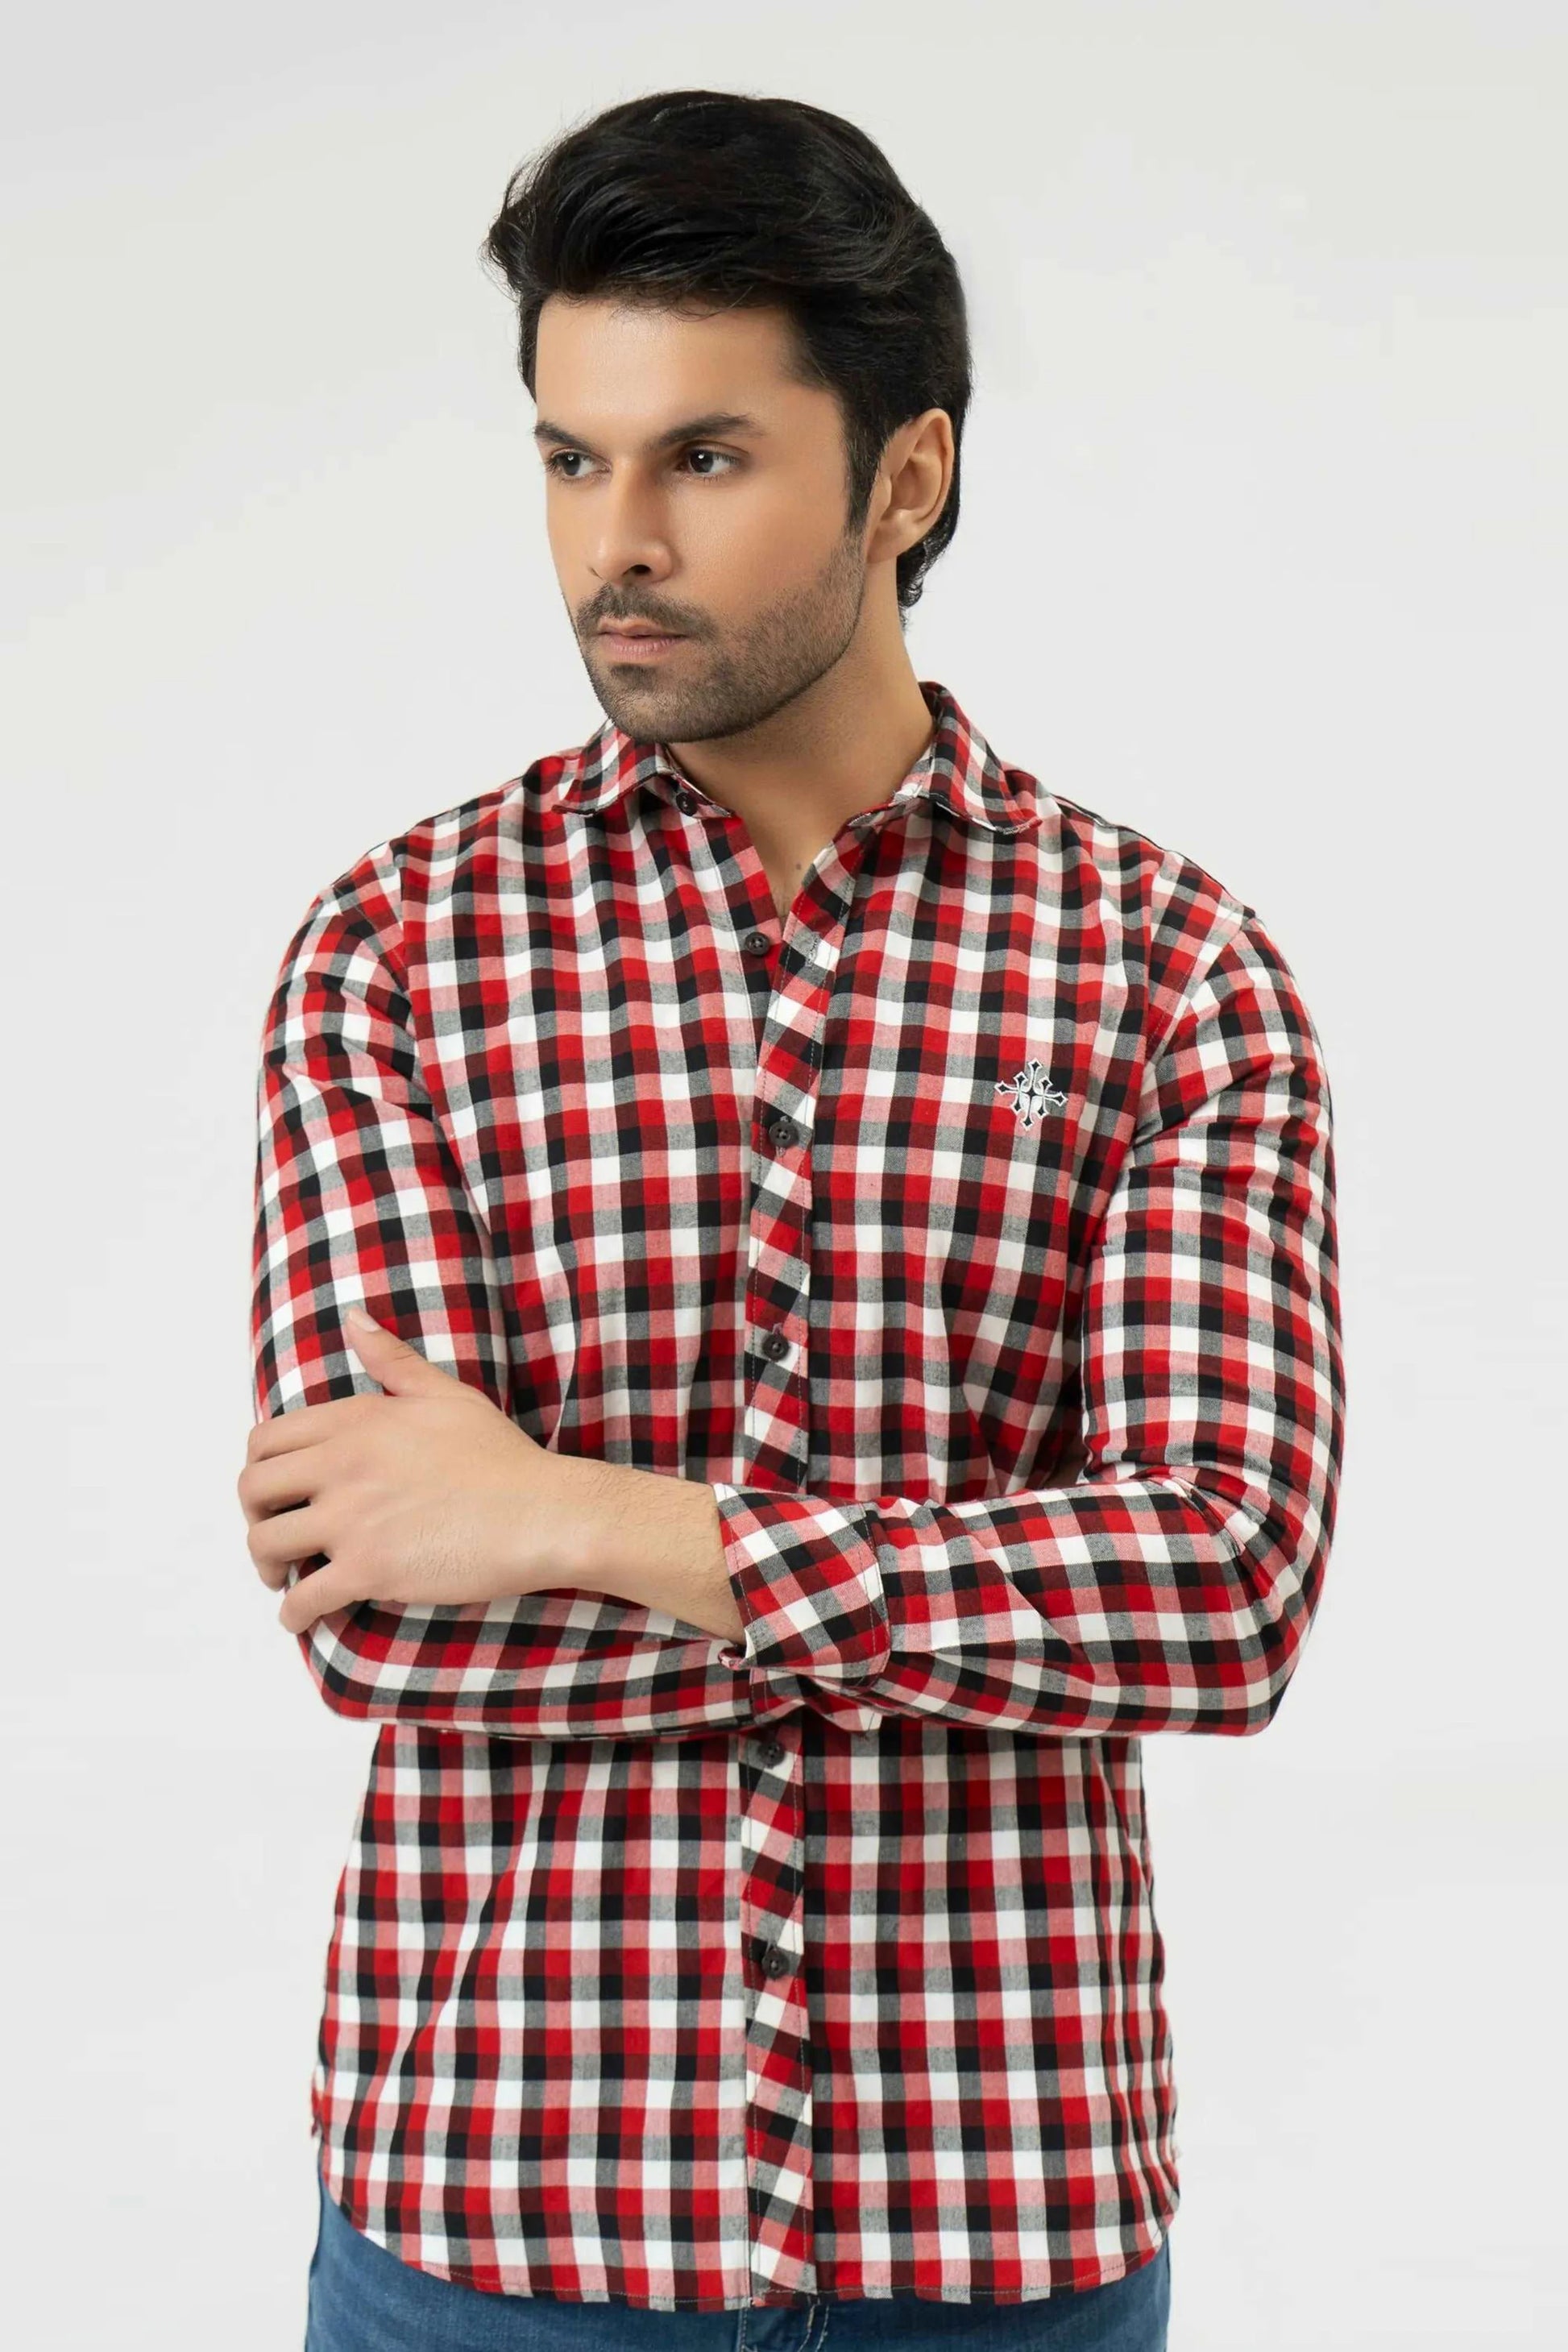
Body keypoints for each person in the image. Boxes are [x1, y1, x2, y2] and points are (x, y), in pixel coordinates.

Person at [242, 88, 1345, 2352]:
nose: (615, 542)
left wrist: (575, 1517)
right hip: (495, 2226)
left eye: (706, 458)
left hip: (999, 2232)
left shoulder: (1167, 972)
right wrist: (977, 1588)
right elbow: (384, 1615)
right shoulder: (399, 954)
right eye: (571, 459)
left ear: (904, 478)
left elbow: (1223, 1588)